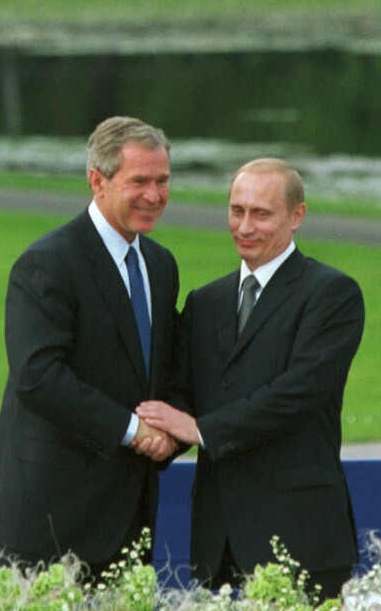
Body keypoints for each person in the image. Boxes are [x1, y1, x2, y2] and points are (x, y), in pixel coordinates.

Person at [137, 158, 365, 600]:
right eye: (236, 210)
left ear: (296, 216)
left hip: (300, 534)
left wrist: (202, 429)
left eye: (260, 214)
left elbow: (298, 393)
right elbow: (182, 397)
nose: (244, 226)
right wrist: (149, 433)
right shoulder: (204, 303)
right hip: (216, 540)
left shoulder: (331, 295)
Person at [0, 116, 180, 579]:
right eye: (140, 182)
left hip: (128, 522)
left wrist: (177, 427)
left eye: (162, 181)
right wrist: (134, 430)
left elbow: (162, 371)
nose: (154, 195)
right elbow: (38, 378)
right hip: (45, 525)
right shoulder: (47, 263)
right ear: (97, 181)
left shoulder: (161, 266)